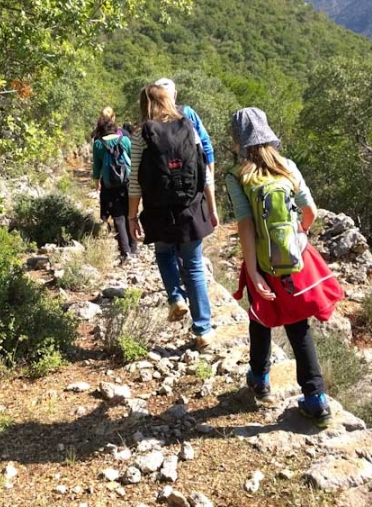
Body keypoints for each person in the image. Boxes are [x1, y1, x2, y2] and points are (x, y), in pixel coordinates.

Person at [227, 107, 344, 427]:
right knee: (298, 326)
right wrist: (298, 236)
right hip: (296, 260)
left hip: (264, 264)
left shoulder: (238, 177)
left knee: (260, 316)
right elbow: (311, 213)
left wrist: (252, 272)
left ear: (238, 140)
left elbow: (246, 227)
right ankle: (316, 399)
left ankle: (260, 379)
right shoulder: (288, 167)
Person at [128, 85, 218, 349]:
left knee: (165, 254)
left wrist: (133, 217)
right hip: (191, 207)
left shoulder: (141, 135)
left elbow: (135, 182)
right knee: (194, 265)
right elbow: (205, 173)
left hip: (158, 210)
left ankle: (176, 298)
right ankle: (203, 330)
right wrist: (212, 208)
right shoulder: (188, 126)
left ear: (144, 105)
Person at [92, 106, 137, 262]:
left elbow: (96, 167)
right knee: (130, 213)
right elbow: (134, 159)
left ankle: (125, 252)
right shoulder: (124, 139)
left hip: (109, 185)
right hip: (127, 182)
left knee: (118, 217)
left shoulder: (98, 144)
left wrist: (97, 183)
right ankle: (134, 247)